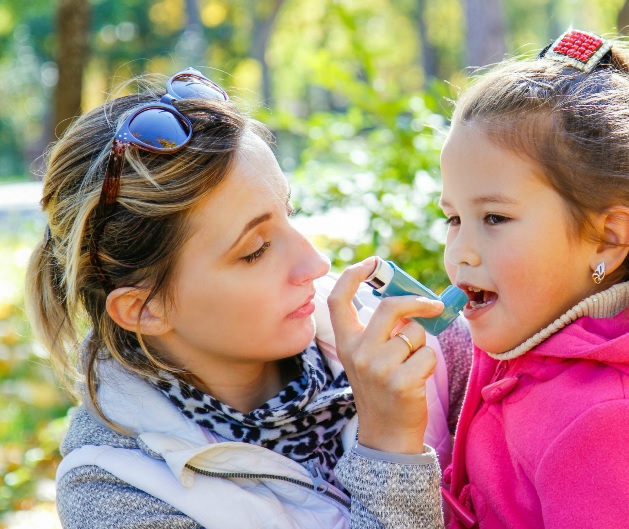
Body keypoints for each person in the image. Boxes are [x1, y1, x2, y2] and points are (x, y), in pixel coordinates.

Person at [329, 29, 629, 528]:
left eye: (495, 218)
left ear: (607, 238)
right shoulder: (532, 338)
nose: (460, 252)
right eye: (453, 218)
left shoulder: (618, 432)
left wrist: (391, 450)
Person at [25, 68, 472, 529]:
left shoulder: (411, 338)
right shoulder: (118, 492)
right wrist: (389, 448)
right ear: (144, 309)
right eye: (255, 251)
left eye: (289, 213)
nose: (317, 264)